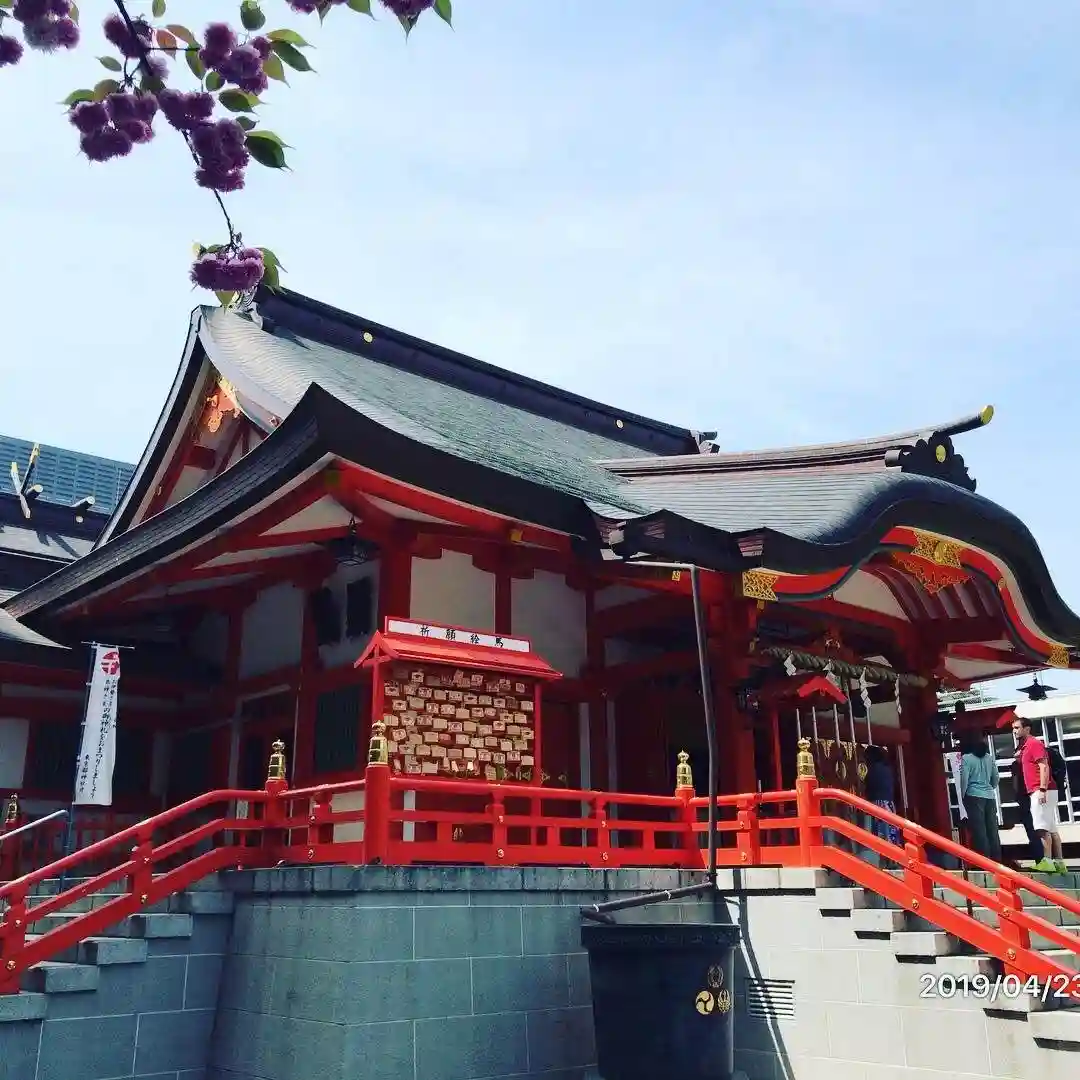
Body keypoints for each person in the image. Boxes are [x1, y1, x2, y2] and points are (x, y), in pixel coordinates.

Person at [1012, 715, 1068, 874]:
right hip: (1044, 790)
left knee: (1041, 828)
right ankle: (1059, 863)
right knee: (1051, 828)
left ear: (1027, 729)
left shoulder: (1033, 744)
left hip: (1041, 790)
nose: (1014, 731)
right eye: (1013, 728)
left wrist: (1042, 789)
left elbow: (1044, 766)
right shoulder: (1026, 746)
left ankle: (1047, 862)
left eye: (1017, 728)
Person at [959, 735, 1001, 862]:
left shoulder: (966, 758)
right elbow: (996, 777)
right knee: (992, 829)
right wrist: (990, 787)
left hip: (973, 795)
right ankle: (997, 860)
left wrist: (963, 795)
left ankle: (985, 861)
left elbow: (964, 779)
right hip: (990, 796)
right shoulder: (989, 758)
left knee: (980, 830)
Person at [863, 744, 901, 847]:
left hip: (878, 803)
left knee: (881, 832)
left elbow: (869, 787)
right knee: (890, 830)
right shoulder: (887, 768)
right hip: (889, 803)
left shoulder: (874, 769)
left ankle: (885, 850)